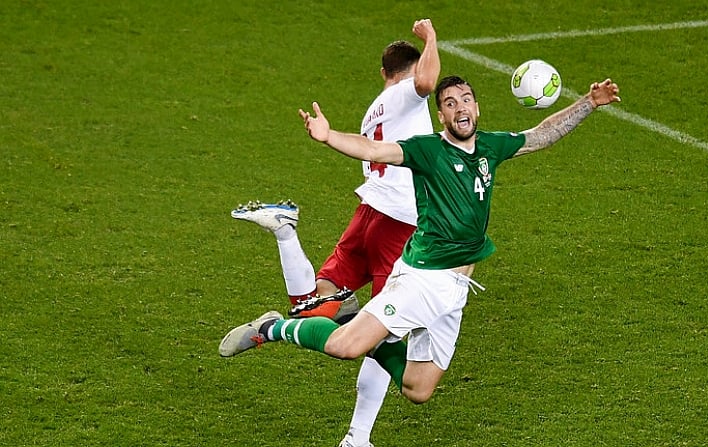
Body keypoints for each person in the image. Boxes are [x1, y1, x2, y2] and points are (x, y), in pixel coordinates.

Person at [220, 74, 620, 419]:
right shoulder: (428, 150)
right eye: (449, 103)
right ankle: (272, 327)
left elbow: (539, 136)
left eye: (465, 100)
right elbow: (376, 150)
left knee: (418, 388)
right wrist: (328, 137)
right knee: (345, 347)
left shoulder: (489, 148)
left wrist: (589, 102)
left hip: (456, 290)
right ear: (442, 116)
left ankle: (360, 326)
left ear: (476, 107)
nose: (459, 107)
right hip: (422, 278)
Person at [221, 19, 440, 447]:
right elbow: (428, 80)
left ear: (382, 72)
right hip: (402, 225)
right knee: (385, 331)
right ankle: (357, 438)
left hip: (369, 216)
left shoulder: (375, 107)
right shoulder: (406, 96)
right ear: (407, 72)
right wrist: (430, 37)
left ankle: (286, 232)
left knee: (313, 306)